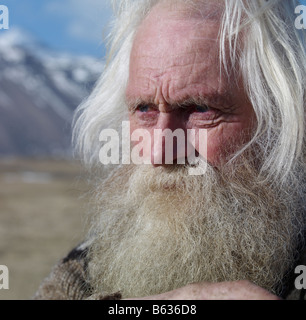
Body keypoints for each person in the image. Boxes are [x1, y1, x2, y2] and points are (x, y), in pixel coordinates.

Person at [34, 0, 306, 300]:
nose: (160, 152)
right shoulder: (85, 268)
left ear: (279, 120)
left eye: (201, 109)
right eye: (145, 109)